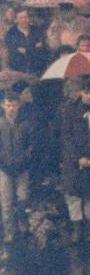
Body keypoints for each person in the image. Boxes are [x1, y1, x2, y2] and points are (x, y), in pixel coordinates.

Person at [61, 84, 90, 244]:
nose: (89, 96)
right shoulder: (70, 111)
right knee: (74, 195)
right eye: (86, 92)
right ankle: (77, 229)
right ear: (80, 93)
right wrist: (78, 158)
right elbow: (67, 138)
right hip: (74, 161)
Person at [0, 92, 32, 244]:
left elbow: (31, 145)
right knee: (6, 201)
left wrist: (24, 159)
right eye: (8, 105)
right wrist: (3, 162)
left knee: (22, 198)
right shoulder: (0, 124)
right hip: (4, 169)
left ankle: (23, 223)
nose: (11, 108)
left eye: (13, 105)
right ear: (3, 105)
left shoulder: (26, 124)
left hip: (22, 168)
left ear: (19, 106)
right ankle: (9, 231)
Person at [4, 9, 49, 76]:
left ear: (29, 18)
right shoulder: (11, 33)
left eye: (26, 17)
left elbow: (42, 48)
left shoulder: (37, 30)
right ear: (16, 19)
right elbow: (20, 51)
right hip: (18, 71)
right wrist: (34, 47)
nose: (24, 20)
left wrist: (26, 49)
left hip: (37, 69)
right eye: (21, 18)